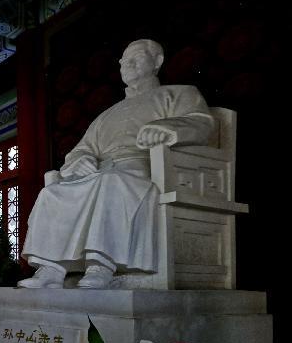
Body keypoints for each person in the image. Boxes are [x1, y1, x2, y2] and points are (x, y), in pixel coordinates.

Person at [18, 39, 214, 289]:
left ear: (157, 61)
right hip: (101, 171)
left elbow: (202, 124)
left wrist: (166, 128)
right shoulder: (106, 115)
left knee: (111, 182)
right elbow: (81, 150)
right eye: (122, 61)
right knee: (52, 192)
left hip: (144, 167)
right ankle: (52, 269)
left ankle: (101, 264)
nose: (127, 64)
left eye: (136, 56)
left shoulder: (179, 94)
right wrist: (81, 160)